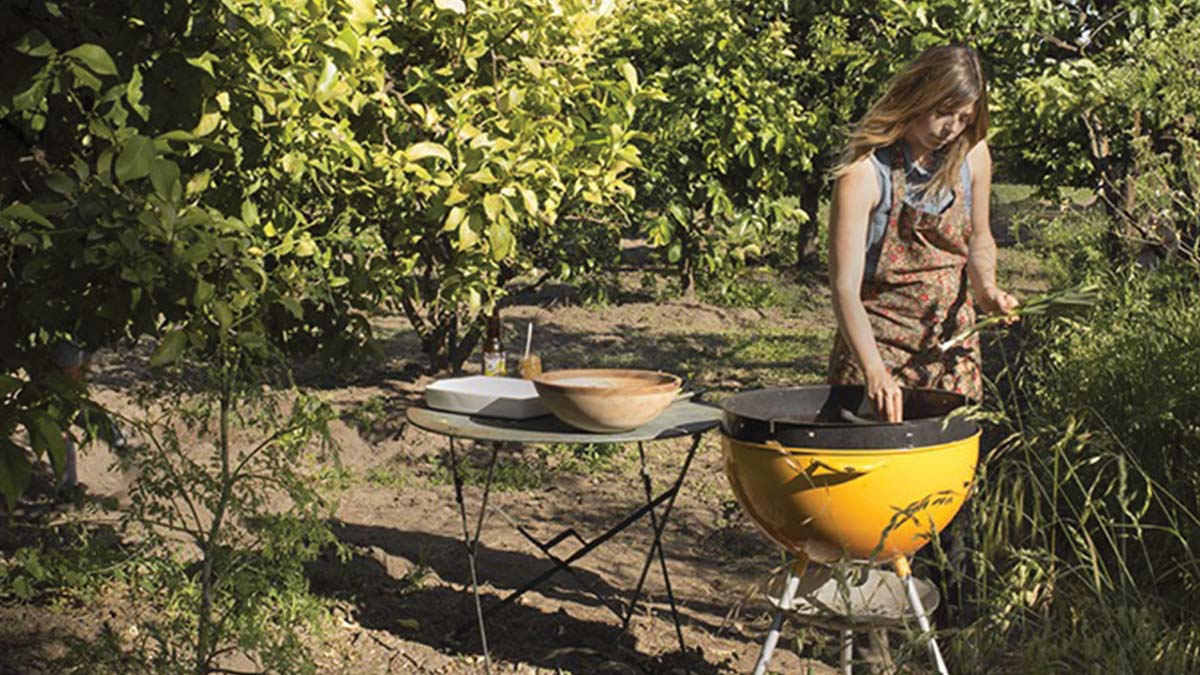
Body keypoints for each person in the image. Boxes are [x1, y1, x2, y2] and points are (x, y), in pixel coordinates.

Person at [827, 45, 1019, 422]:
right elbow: (844, 288)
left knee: (946, 475)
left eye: (963, 118)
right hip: (880, 354)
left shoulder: (973, 155)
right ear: (917, 95)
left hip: (950, 353)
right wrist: (874, 371)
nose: (951, 129)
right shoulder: (864, 173)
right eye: (943, 113)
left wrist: (987, 289)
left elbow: (979, 237)